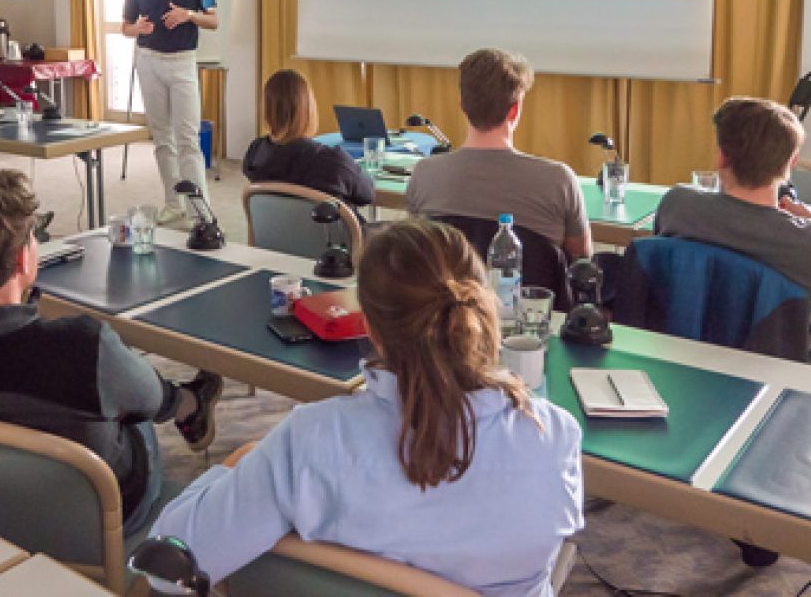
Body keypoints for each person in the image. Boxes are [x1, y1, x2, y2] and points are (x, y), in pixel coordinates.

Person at [151, 219, 584, 594]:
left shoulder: (310, 442)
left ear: (372, 329)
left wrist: (234, 467)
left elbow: (168, 567)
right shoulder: (555, 438)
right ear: (484, 310)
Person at [0, 169, 224, 533]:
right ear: (22, 260)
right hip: (92, 521)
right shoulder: (81, 345)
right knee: (132, 397)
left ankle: (188, 404)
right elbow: (148, 398)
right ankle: (190, 405)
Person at [654, 96, 811, 357]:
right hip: (783, 337)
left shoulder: (677, 204)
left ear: (722, 157)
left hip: (699, 323)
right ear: (792, 162)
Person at [406, 48, 592, 261]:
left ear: (463, 106)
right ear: (514, 110)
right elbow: (582, 262)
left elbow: (415, 255)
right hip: (532, 294)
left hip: (445, 294)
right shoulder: (559, 181)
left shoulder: (424, 174)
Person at [121, 0, 218, 225]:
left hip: (183, 63)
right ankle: (173, 203)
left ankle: (199, 209)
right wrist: (138, 28)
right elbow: (125, 26)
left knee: (188, 139)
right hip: (149, 61)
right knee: (163, 139)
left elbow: (214, 20)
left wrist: (188, 15)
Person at [243, 69, 374, 210]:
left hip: (275, 232)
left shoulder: (255, 153)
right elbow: (367, 194)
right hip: (331, 232)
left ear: (266, 109)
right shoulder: (331, 161)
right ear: (308, 108)